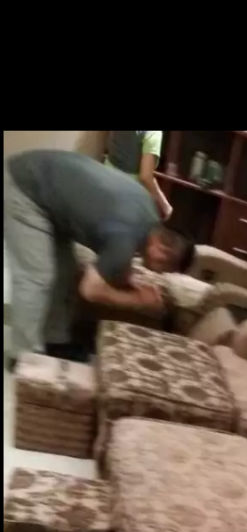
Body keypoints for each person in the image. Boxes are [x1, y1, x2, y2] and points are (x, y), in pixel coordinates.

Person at [4, 148, 193, 364]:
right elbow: (90, 289)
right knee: (36, 277)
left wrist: (127, 279)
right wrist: (137, 300)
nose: (159, 273)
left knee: (65, 272)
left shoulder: (149, 214)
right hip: (25, 187)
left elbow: (116, 247)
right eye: (165, 269)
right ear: (163, 252)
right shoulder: (127, 237)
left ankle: (55, 341)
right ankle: (23, 357)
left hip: (47, 190)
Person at [105, 131, 172, 220]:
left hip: (106, 183)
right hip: (127, 198)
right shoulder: (153, 133)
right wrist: (164, 205)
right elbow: (146, 177)